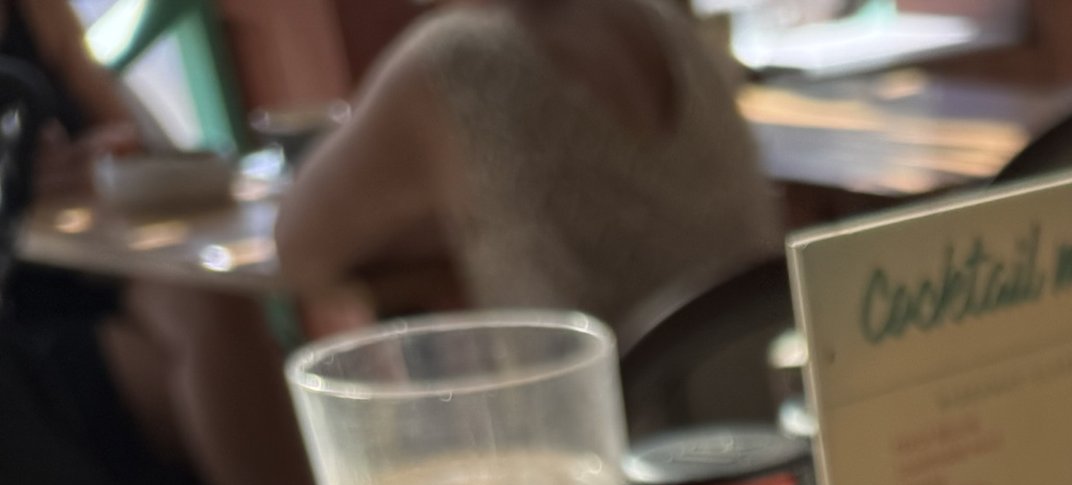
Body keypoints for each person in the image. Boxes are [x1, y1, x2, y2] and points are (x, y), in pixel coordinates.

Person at [0, 0, 315, 485]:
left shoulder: (39, 14)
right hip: (22, 320)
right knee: (219, 347)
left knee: (210, 302)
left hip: (94, 267)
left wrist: (96, 158)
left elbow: (129, 137)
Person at [275, 0, 776, 329]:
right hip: (757, 409)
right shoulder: (666, 21)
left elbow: (297, 249)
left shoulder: (459, 60)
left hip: (605, 442)